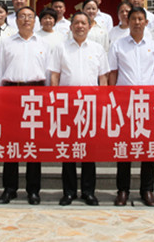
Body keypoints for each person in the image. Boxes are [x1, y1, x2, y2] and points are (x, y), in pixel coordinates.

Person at [49, 11, 109, 206]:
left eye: (84, 23)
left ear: (90, 26)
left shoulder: (98, 49)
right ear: (71, 26)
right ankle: (69, 192)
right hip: (67, 106)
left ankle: (88, 192)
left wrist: (102, 102)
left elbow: (103, 78)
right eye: (77, 23)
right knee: (68, 150)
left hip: (90, 105)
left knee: (89, 150)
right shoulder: (61, 48)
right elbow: (55, 76)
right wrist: (56, 101)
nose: (80, 26)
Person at [108, 6, 154, 207]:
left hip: (148, 103)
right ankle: (123, 190)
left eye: (141, 19)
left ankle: (147, 189)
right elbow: (113, 73)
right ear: (128, 21)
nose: (137, 22)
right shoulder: (118, 45)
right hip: (125, 103)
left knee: (148, 147)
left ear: (146, 22)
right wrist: (113, 100)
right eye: (134, 19)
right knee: (124, 148)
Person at [0, 6, 52, 205]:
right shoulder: (6, 42)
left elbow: (48, 74)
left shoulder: (44, 44)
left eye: (30, 17)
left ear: (35, 21)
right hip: (11, 93)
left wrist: (47, 100)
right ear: (16, 20)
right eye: (22, 16)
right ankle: (9, 189)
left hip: (36, 93)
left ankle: (33, 190)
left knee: (33, 144)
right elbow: (1, 71)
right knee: (11, 143)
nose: (26, 19)